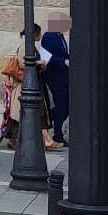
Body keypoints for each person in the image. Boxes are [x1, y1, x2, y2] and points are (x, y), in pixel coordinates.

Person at [40, 12, 72, 147]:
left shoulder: (60, 36)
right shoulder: (49, 36)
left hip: (63, 76)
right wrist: (63, 61)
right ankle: (55, 133)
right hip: (54, 76)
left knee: (67, 106)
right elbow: (46, 58)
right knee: (61, 105)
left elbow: (63, 53)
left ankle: (47, 124)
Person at [0, 54, 24, 149]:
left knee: (14, 115)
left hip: (17, 88)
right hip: (18, 88)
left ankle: (12, 138)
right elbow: (22, 66)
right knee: (15, 116)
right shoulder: (23, 49)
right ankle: (13, 139)